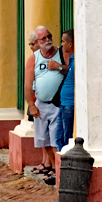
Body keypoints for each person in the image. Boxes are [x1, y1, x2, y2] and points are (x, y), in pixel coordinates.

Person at [25, 25, 66, 183]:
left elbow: (73, 70)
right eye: (44, 38)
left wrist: (59, 67)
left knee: (56, 139)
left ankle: (57, 171)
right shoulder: (34, 58)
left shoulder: (61, 53)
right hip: (41, 104)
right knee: (44, 139)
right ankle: (53, 168)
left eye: (49, 36)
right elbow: (28, 83)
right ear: (37, 41)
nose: (48, 40)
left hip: (57, 103)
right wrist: (31, 105)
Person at [56, 30, 75, 151]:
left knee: (66, 139)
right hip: (64, 103)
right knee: (59, 137)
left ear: (70, 44)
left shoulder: (77, 59)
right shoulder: (73, 58)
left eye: (64, 41)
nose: (62, 44)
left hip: (69, 104)